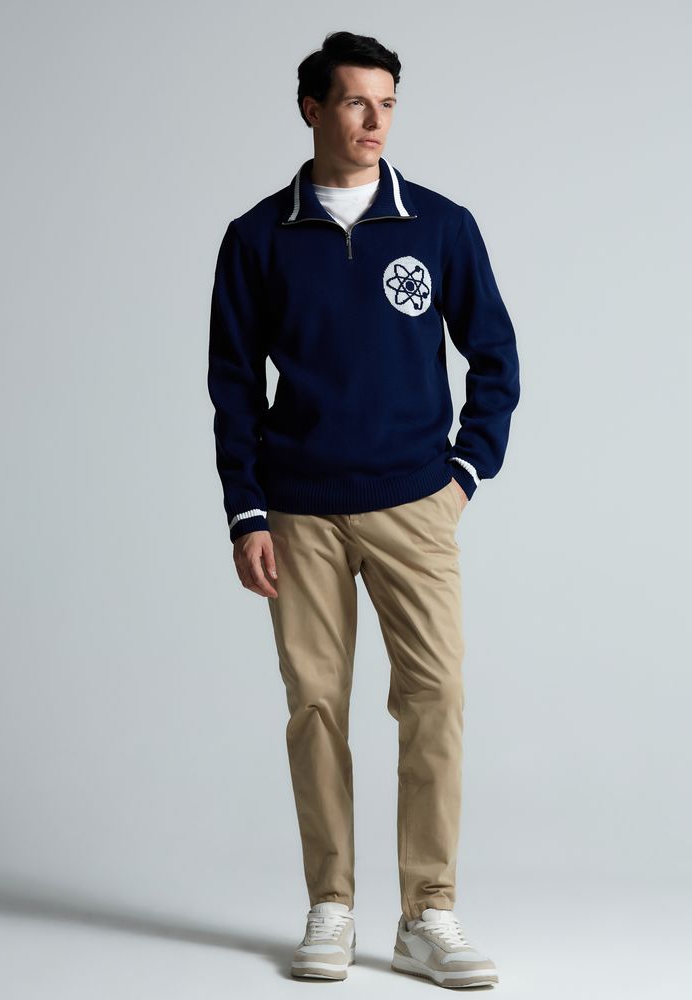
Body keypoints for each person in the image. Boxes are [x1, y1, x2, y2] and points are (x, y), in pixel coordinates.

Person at [207, 30, 520, 989]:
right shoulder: (257, 238)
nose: (375, 120)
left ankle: (428, 914)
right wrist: (246, 513)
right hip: (298, 511)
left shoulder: (440, 226)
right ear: (312, 109)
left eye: (387, 102)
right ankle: (332, 904)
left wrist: (464, 473)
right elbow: (232, 386)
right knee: (315, 706)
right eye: (355, 102)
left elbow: (496, 358)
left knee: (437, 698)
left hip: (415, 505)